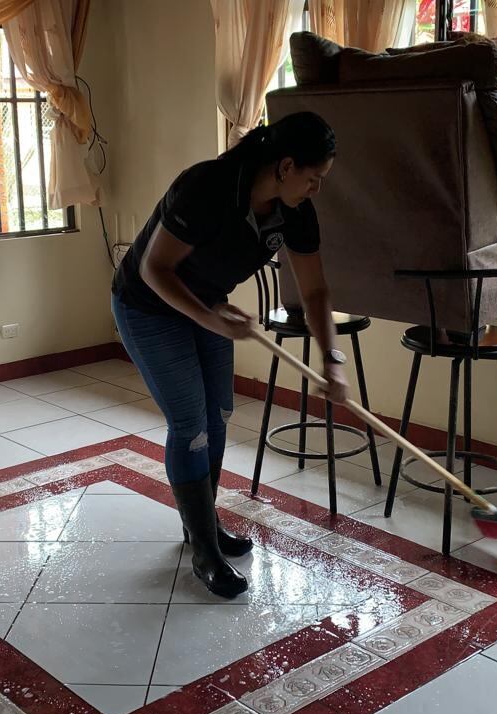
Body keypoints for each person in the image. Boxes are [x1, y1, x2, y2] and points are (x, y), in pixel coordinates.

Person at [111, 112, 349, 599]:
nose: (316, 190)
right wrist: (211, 319)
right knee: (190, 425)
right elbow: (156, 270)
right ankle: (205, 554)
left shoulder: (296, 211)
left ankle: (204, 526)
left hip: (207, 305)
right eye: (313, 178)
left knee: (218, 415)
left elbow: (317, 292)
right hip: (149, 306)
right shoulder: (206, 187)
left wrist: (332, 359)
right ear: (285, 166)